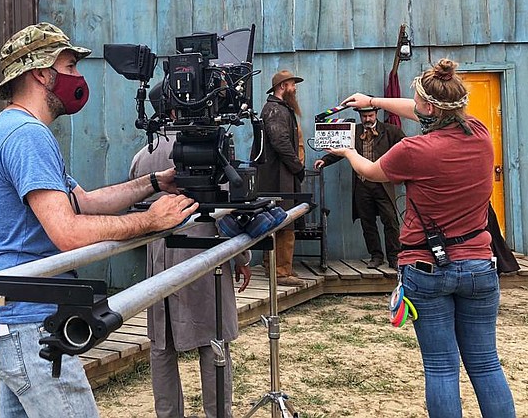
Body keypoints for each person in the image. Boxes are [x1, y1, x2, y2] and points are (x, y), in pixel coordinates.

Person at [0, 23, 198, 418]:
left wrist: (152, 183)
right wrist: (150, 222)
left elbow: (86, 203)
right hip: (33, 321)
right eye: (71, 65)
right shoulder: (28, 135)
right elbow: (68, 232)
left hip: (16, 318)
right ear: (42, 73)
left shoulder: (16, 128)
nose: (78, 77)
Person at [328, 59, 516, 418]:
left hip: (425, 266)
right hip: (478, 265)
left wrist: (347, 151)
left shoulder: (413, 152)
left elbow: (370, 171)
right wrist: (373, 100)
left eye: (417, 102)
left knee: (442, 367)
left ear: (428, 108)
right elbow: (420, 111)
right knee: (486, 364)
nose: (413, 107)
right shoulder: (479, 132)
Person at [129, 87, 252, 418]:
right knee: (213, 343)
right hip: (204, 256)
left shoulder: (143, 156)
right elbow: (230, 209)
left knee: (162, 347)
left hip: (159, 260)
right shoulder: (210, 148)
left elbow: (134, 205)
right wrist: (241, 257)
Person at [314, 104, 405, 268]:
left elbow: (405, 151)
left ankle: (394, 257)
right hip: (362, 184)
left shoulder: (391, 131)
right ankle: (376, 256)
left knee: (390, 221)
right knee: (367, 221)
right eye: (364, 117)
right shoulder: (353, 131)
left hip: (382, 183)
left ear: (376, 114)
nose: (367, 119)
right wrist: (325, 160)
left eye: (370, 116)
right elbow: (341, 150)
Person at [252, 69, 306, 286]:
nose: (295, 89)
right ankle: (281, 272)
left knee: (276, 220)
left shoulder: (279, 108)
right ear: (283, 86)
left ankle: (273, 267)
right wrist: (297, 167)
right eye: (293, 84)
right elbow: (280, 141)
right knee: (285, 221)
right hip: (278, 176)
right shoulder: (274, 110)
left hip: (279, 174)